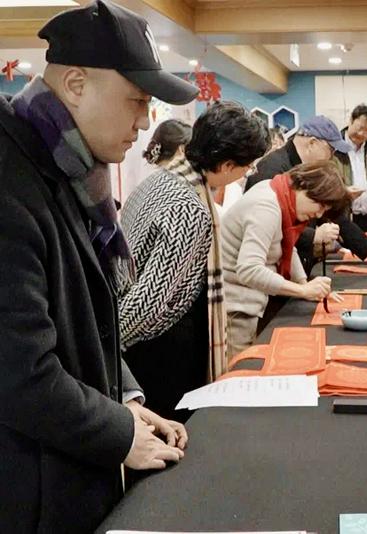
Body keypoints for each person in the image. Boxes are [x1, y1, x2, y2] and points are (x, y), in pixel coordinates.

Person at [0, 2, 195, 531]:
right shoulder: (12, 179)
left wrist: (124, 399)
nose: (145, 122)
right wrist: (118, 432)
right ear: (76, 84)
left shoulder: (70, 170)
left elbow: (87, 318)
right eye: (136, 101)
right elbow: (18, 372)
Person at [120, 101, 267, 422]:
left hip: (141, 350)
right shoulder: (188, 207)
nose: (248, 174)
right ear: (227, 165)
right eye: (249, 167)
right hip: (159, 355)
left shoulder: (158, 180)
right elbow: (148, 303)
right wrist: (108, 350)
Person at [222, 161, 350, 356]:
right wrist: (302, 290)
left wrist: (306, 283)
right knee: (237, 375)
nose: (319, 213)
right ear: (304, 186)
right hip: (235, 309)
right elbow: (249, 269)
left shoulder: (279, 193)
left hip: (245, 304)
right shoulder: (267, 207)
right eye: (319, 205)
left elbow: (286, 247)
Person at [246, 115, 367, 274]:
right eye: (331, 150)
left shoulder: (308, 170)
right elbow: (270, 225)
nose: (332, 158)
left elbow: (334, 214)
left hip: (297, 266)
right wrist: (313, 236)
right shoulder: (271, 169)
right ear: (312, 143)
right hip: (268, 271)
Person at [332, 104, 367, 232]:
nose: (361, 134)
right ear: (351, 120)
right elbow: (326, 184)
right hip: (343, 217)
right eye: (360, 128)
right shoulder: (333, 149)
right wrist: (344, 192)